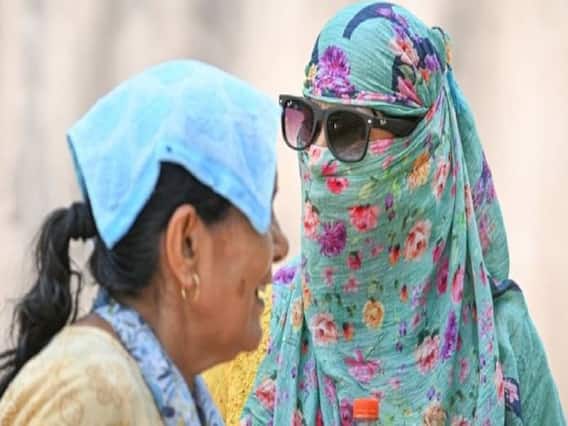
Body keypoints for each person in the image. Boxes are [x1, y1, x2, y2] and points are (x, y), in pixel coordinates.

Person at [240, 2, 566, 425]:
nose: (318, 155)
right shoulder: (261, 324)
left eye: (345, 129)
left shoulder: (500, 339)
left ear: (421, 151)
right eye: (307, 121)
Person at [0, 59, 289, 425]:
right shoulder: (93, 390)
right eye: (264, 211)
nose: (281, 246)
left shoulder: (153, 387)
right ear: (186, 245)